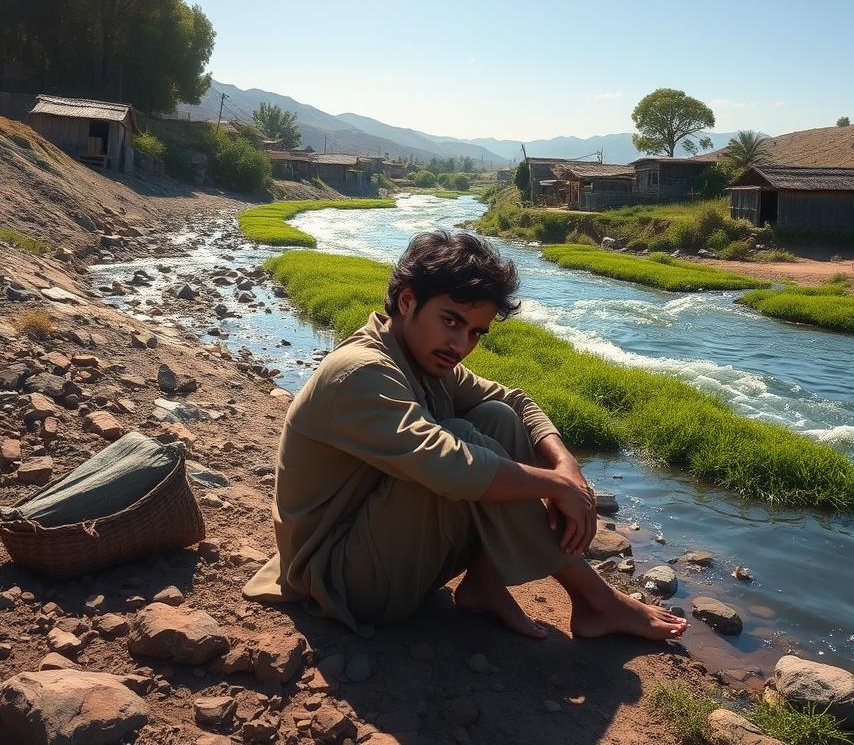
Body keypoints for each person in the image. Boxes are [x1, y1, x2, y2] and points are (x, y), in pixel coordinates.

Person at [244, 230, 686, 642]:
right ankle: (597, 600)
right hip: (341, 580)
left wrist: (565, 465)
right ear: (406, 301)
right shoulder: (361, 372)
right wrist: (553, 485)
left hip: (379, 550)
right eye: (451, 321)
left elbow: (514, 399)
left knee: (496, 417)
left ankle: (484, 585)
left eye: (474, 332)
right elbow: (448, 464)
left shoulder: (421, 358)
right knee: (457, 438)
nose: (460, 345)